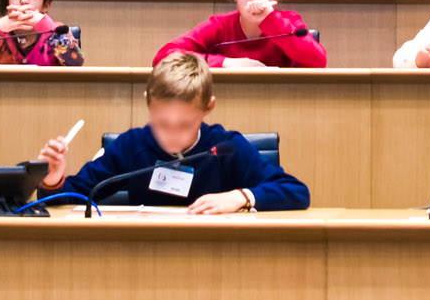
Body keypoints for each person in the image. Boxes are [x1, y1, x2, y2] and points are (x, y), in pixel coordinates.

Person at [35, 53, 309, 212]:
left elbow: (296, 191)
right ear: (147, 104)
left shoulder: (227, 147)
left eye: (185, 125)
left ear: (207, 108)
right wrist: (53, 179)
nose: (172, 135)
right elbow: (70, 197)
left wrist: (240, 197)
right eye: (162, 123)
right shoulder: (132, 145)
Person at [157, 0, 329, 69]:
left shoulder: (289, 21)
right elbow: (164, 56)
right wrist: (226, 62)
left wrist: (272, 20)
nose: (255, 1)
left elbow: (318, 61)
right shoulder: (220, 25)